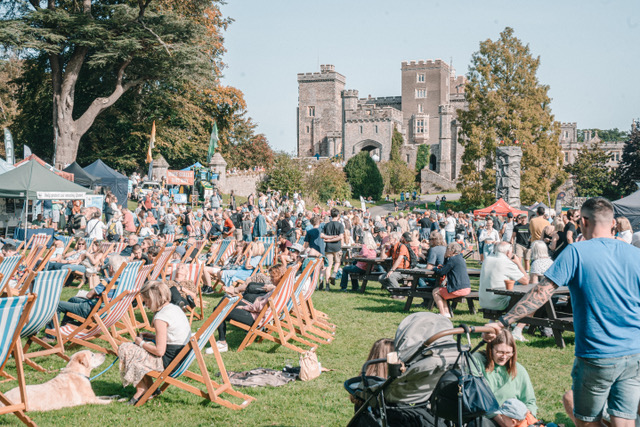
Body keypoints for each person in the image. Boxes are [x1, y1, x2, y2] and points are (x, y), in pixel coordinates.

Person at [484, 197, 640, 427]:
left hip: (597, 353)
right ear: (613, 223)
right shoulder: (634, 254)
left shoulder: (576, 251)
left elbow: (541, 292)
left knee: (588, 421)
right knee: (624, 421)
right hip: (634, 352)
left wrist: (505, 321)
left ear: (584, 221)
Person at [118, 281, 190, 405]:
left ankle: (141, 389)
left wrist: (141, 343)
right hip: (180, 357)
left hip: (168, 363)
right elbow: (172, 337)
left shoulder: (160, 318)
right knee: (137, 351)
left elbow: (159, 351)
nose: (146, 305)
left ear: (153, 298)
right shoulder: (175, 308)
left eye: (146, 301)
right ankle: (152, 389)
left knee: (126, 348)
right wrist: (152, 337)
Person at [472, 329, 537, 427]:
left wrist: (526, 417)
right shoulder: (477, 361)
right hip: (488, 416)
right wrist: (499, 420)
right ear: (490, 349)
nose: (504, 357)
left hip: (514, 420)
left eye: (508, 353)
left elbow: (530, 401)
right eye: (500, 352)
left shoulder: (519, 370)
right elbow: (476, 396)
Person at [478, 241, 529, 341]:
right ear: (508, 252)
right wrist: (519, 263)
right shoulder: (507, 262)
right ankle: (518, 330)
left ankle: (493, 322)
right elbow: (526, 280)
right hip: (499, 303)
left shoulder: (487, 259)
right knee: (528, 298)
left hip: (484, 300)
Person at [431, 242, 471, 318]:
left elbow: (442, 272)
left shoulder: (452, 259)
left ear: (452, 251)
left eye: (447, 249)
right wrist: (446, 258)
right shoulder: (460, 258)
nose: (445, 251)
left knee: (435, 292)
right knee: (442, 291)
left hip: (459, 289)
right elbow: (445, 267)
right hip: (466, 287)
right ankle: (447, 313)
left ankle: (442, 313)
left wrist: (435, 268)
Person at [379, 232, 412, 296]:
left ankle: (399, 294)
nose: (388, 240)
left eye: (390, 238)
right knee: (381, 278)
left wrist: (391, 270)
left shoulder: (402, 246)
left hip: (403, 270)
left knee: (391, 276)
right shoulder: (392, 248)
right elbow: (383, 257)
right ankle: (394, 292)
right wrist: (383, 248)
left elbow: (399, 259)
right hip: (396, 270)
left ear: (395, 239)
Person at [322, 208, 344, 291]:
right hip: (337, 247)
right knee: (338, 262)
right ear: (338, 215)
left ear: (330, 215)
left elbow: (322, 235)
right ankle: (334, 274)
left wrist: (329, 240)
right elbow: (340, 237)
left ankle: (327, 285)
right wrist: (333, 239)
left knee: (328, 266)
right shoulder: (340, 225)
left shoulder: (326, 225)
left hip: (328, 247)